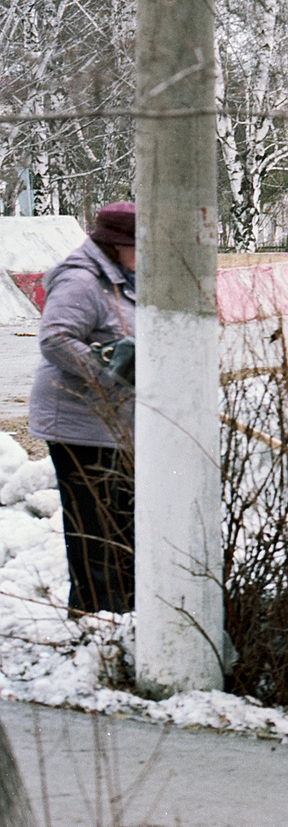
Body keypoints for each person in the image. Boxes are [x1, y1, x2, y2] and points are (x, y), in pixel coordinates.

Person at [32, 201, 138, 619]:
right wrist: (111, 369)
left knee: (122, 526)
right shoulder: (81, 280)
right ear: (116, 245)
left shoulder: (122, 277)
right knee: (94, 530)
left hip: (113, 424)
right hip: (78, 425)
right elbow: (55, 339)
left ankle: (120, 615)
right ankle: (95, 619)